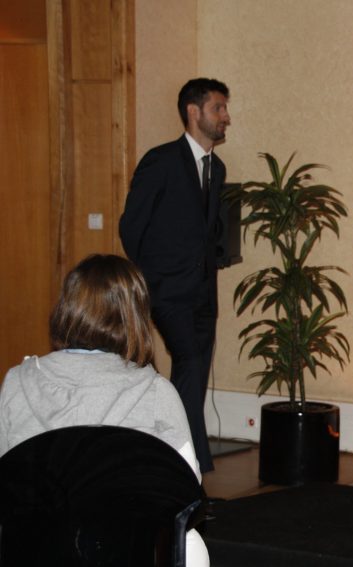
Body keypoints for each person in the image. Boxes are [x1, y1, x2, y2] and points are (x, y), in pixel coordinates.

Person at [0, 254, 209, 566]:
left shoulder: (16, 382)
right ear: (136, 317)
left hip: (35, 547)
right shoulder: (156, 392)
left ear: (66, 309)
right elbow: (186, 487)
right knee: (190, 542)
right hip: (125, 550)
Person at [119, 78, 231, 473]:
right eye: (218, 108)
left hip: (204, 294)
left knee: (194, 374)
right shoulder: (161, 161)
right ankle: (192, 462)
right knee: (188, 362)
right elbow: (131, 228)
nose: (226, 117)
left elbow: (207, 231)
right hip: (167, 291)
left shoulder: (217, 168)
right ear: (193, 111)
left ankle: (175, 458)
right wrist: (152, 280)